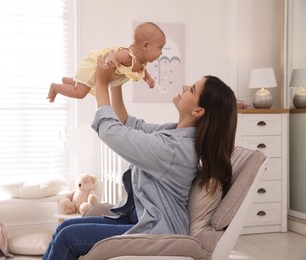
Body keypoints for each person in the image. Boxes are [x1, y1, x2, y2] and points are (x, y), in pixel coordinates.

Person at [42, 54, 238, 260]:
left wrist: (101, 81)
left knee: (68, 237)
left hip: (156, 231)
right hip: (139, 217)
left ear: (198, 110)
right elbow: (127, 123)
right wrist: (116, 82)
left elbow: (112, 132)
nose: (184, 87)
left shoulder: (175, 149)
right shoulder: (174, 132)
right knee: (65, 227)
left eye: (192, 89)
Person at [47, 22, 166, 102]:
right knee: (80, 93)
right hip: (92, 68)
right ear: (145, 45)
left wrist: (147, 79)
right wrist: (111, 61)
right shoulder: (128, 55)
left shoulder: (141, 61)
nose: (161, 53)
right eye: (159, 48)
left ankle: (68, 81)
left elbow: (142, 69)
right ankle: (56, 88)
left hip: (98, 76)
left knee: (88, 87)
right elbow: (114, 55)